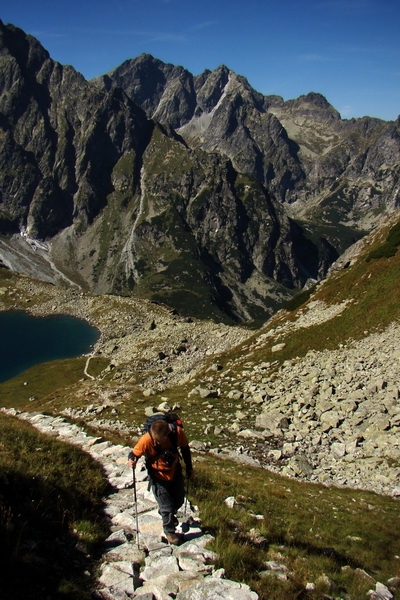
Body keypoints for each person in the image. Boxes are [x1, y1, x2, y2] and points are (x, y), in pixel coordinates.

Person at [128, 418, 193, 545]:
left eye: (159, 440)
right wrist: (132, 460)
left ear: (167, 434)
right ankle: (169, 531)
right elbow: (134, 454)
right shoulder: (146, 439)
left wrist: (189, 467)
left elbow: (185, 449)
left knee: (179, 500)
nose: (156, 441)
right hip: (157, 476)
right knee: (167, 506)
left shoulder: (177, 433)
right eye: (155, 439)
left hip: (174, 471)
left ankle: (167, 515)